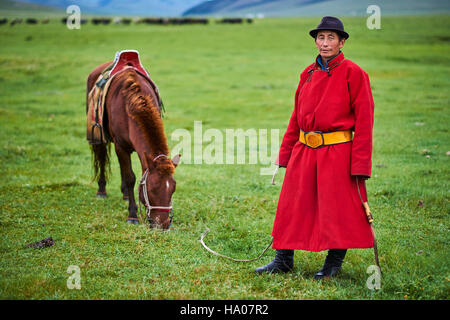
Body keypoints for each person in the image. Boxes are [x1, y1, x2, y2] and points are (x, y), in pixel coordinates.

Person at [256, 16, 375, 280]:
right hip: (304, 151)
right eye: (320, 37)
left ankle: (333, 264)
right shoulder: (307, 74)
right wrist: (284, 155)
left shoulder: (355, 74)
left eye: (331, 37)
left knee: (338, 208)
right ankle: (282, 260)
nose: (324, 42)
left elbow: (365, 122)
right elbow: (296, 118)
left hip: (338, 152)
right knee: (292, 204)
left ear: (342, 42)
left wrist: (360, 165)